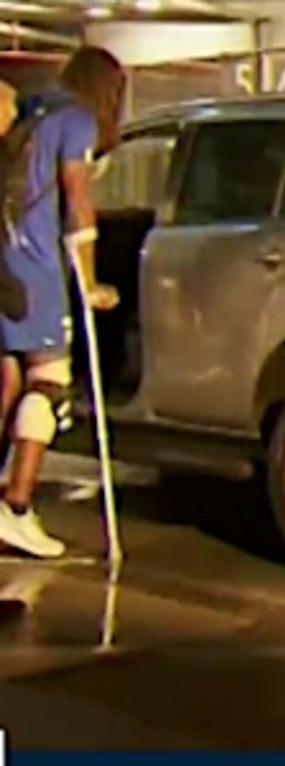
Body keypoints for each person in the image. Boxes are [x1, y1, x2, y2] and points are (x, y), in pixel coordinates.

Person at [0, 46, 124, 559]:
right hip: (35, 268)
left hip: (3, 260)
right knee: (49, 381)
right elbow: (76, 197)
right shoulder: (77, 120)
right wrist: (90, 282)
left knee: (7, 381)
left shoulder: (33, 110)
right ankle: (17, 506)